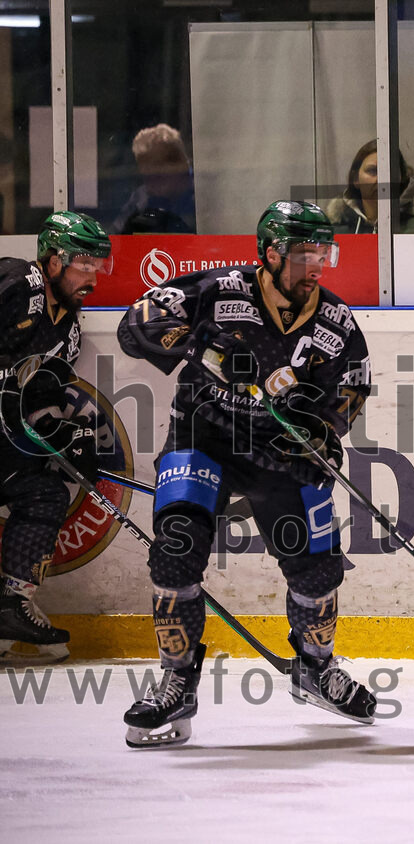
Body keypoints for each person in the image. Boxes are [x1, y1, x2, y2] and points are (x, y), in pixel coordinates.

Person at [117, 200, 376, 747]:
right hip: (203, 436)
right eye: (304, 254)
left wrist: (320, 427)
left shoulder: (334, 320)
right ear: (271, 253)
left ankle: (315, 668)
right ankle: (176, 681)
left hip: (276, 449)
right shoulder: (221, 291)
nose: (316, 268)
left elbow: (353, 385)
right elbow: (135, 322)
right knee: (176, 545)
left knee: (317, 570)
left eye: (322, 255)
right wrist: (203, 349)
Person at [0, 212, 111, 664]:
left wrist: (62, 437)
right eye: (83, 264)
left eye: (98, 267)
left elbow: (38, 400)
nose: (92, 278)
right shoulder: (17, 281)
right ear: (52, 261)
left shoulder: (68, 331)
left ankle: (11, 606)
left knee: (45, 492)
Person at [326, 140, 414, 234]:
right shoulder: (336, 231)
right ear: (355, 179)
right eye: (372, 171)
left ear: (402, 179)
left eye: (390, 172)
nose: (381, 180)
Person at [112, 124, 197, 234]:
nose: (151, 184)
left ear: (179, 165)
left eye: (157, 175)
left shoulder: (201, 199)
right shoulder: (140, 198)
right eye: (146, 177)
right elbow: (115, 240)